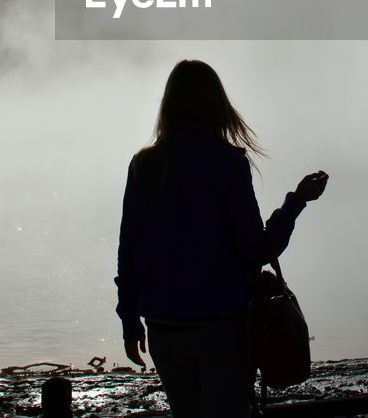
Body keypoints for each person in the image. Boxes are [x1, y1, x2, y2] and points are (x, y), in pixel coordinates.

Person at [115, 59, 328, 416]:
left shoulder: (144, 166)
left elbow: (129, 252)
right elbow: (255, 250)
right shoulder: (228, 163)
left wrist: (129, 319)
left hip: (164, 326)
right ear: (217, 104)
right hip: (221, 326)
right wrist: (296, 202)